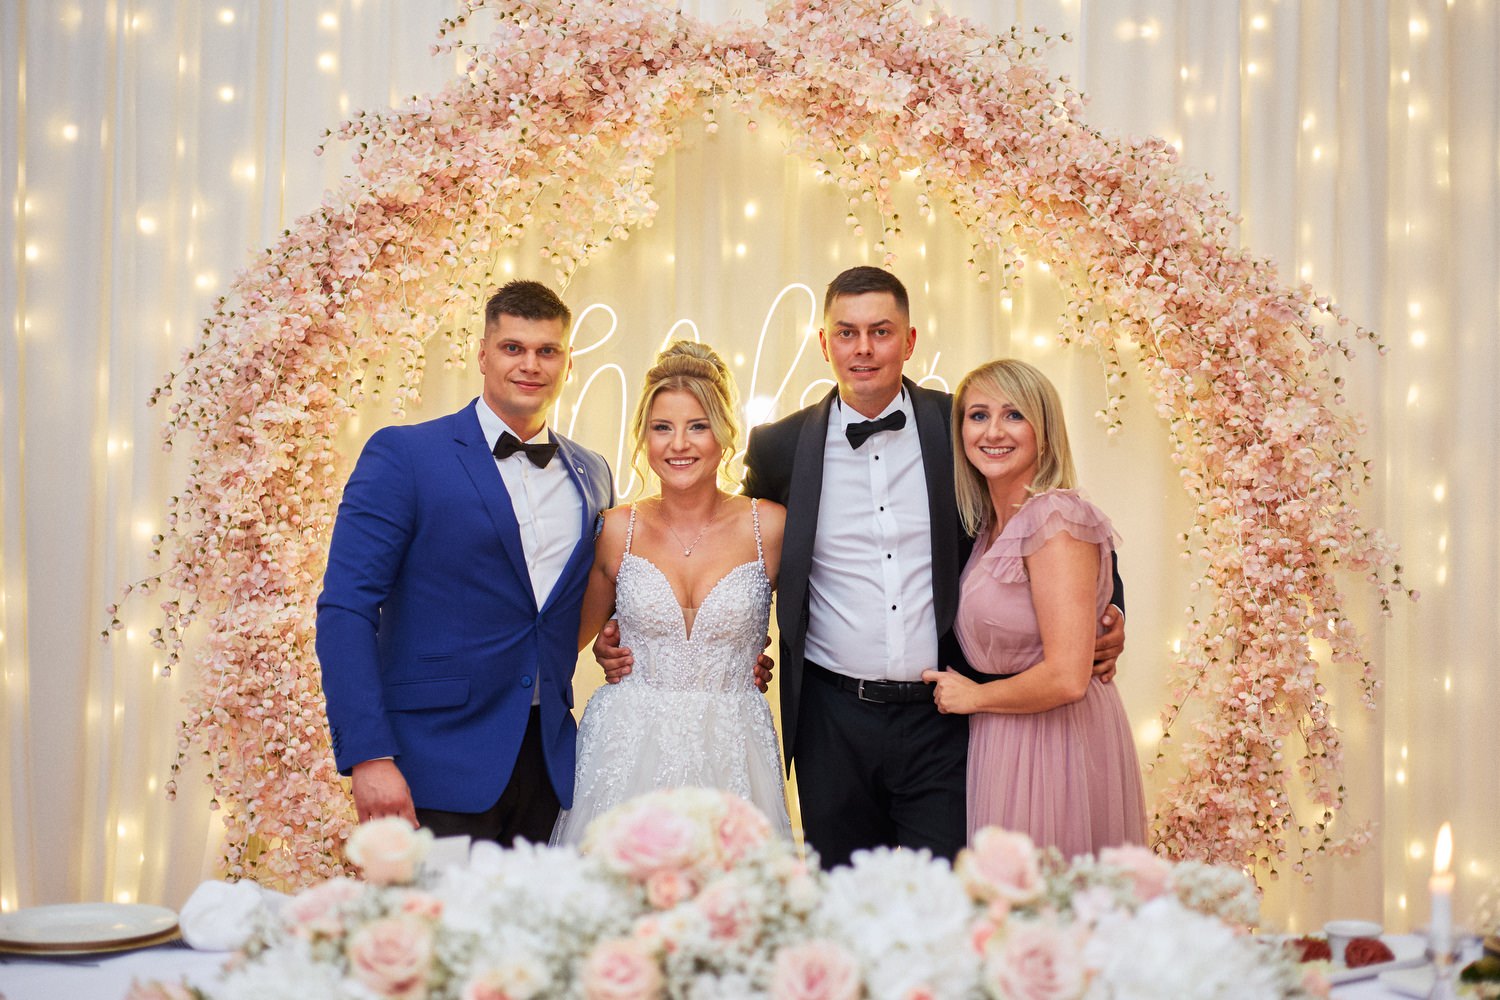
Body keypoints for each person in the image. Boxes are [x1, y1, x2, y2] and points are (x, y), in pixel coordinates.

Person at [732, 266, 1123, 867]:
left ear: (910, 341)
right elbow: (739, 546)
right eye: (847, 333)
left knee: (951, 898)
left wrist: (1111, 607)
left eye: (881, 331)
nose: (863, 349)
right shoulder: (778, 446)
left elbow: (1049, 519)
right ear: (824, 343)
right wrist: (716, 637)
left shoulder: (964, 424)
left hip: (948, 714)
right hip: (831, 721)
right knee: (842, 899)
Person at [316, 280, 613, 844]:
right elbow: (346, 609)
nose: (530, 364)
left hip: (550, 763)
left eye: (547, 351)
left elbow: (587, 597)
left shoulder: (592, 471)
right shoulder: (404, 454)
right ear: (482, 355)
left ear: (568, 362)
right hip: (432, 762)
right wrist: (369, 755)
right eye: (512, 348)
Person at [552, 342, 792, 844]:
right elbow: (564, 640)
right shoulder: (616, 529)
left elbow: (812, 629)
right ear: (645, 436)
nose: (678, 444)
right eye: (662, 427)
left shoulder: (769, 526)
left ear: (724, 433)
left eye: (697, 426)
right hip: (624, 747)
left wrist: (757, 657)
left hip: (734, 747)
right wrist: (604, 644)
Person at [923, 359, 1146, 857]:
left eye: (1014, 415)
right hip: (1002, 737)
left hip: (1054, 741)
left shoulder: (1055, 517)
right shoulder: (988, 525)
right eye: (978, 415)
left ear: (1044, 431)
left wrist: (974, 697)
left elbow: (1068, 677)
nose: (993, 432)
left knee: (1047, 893)